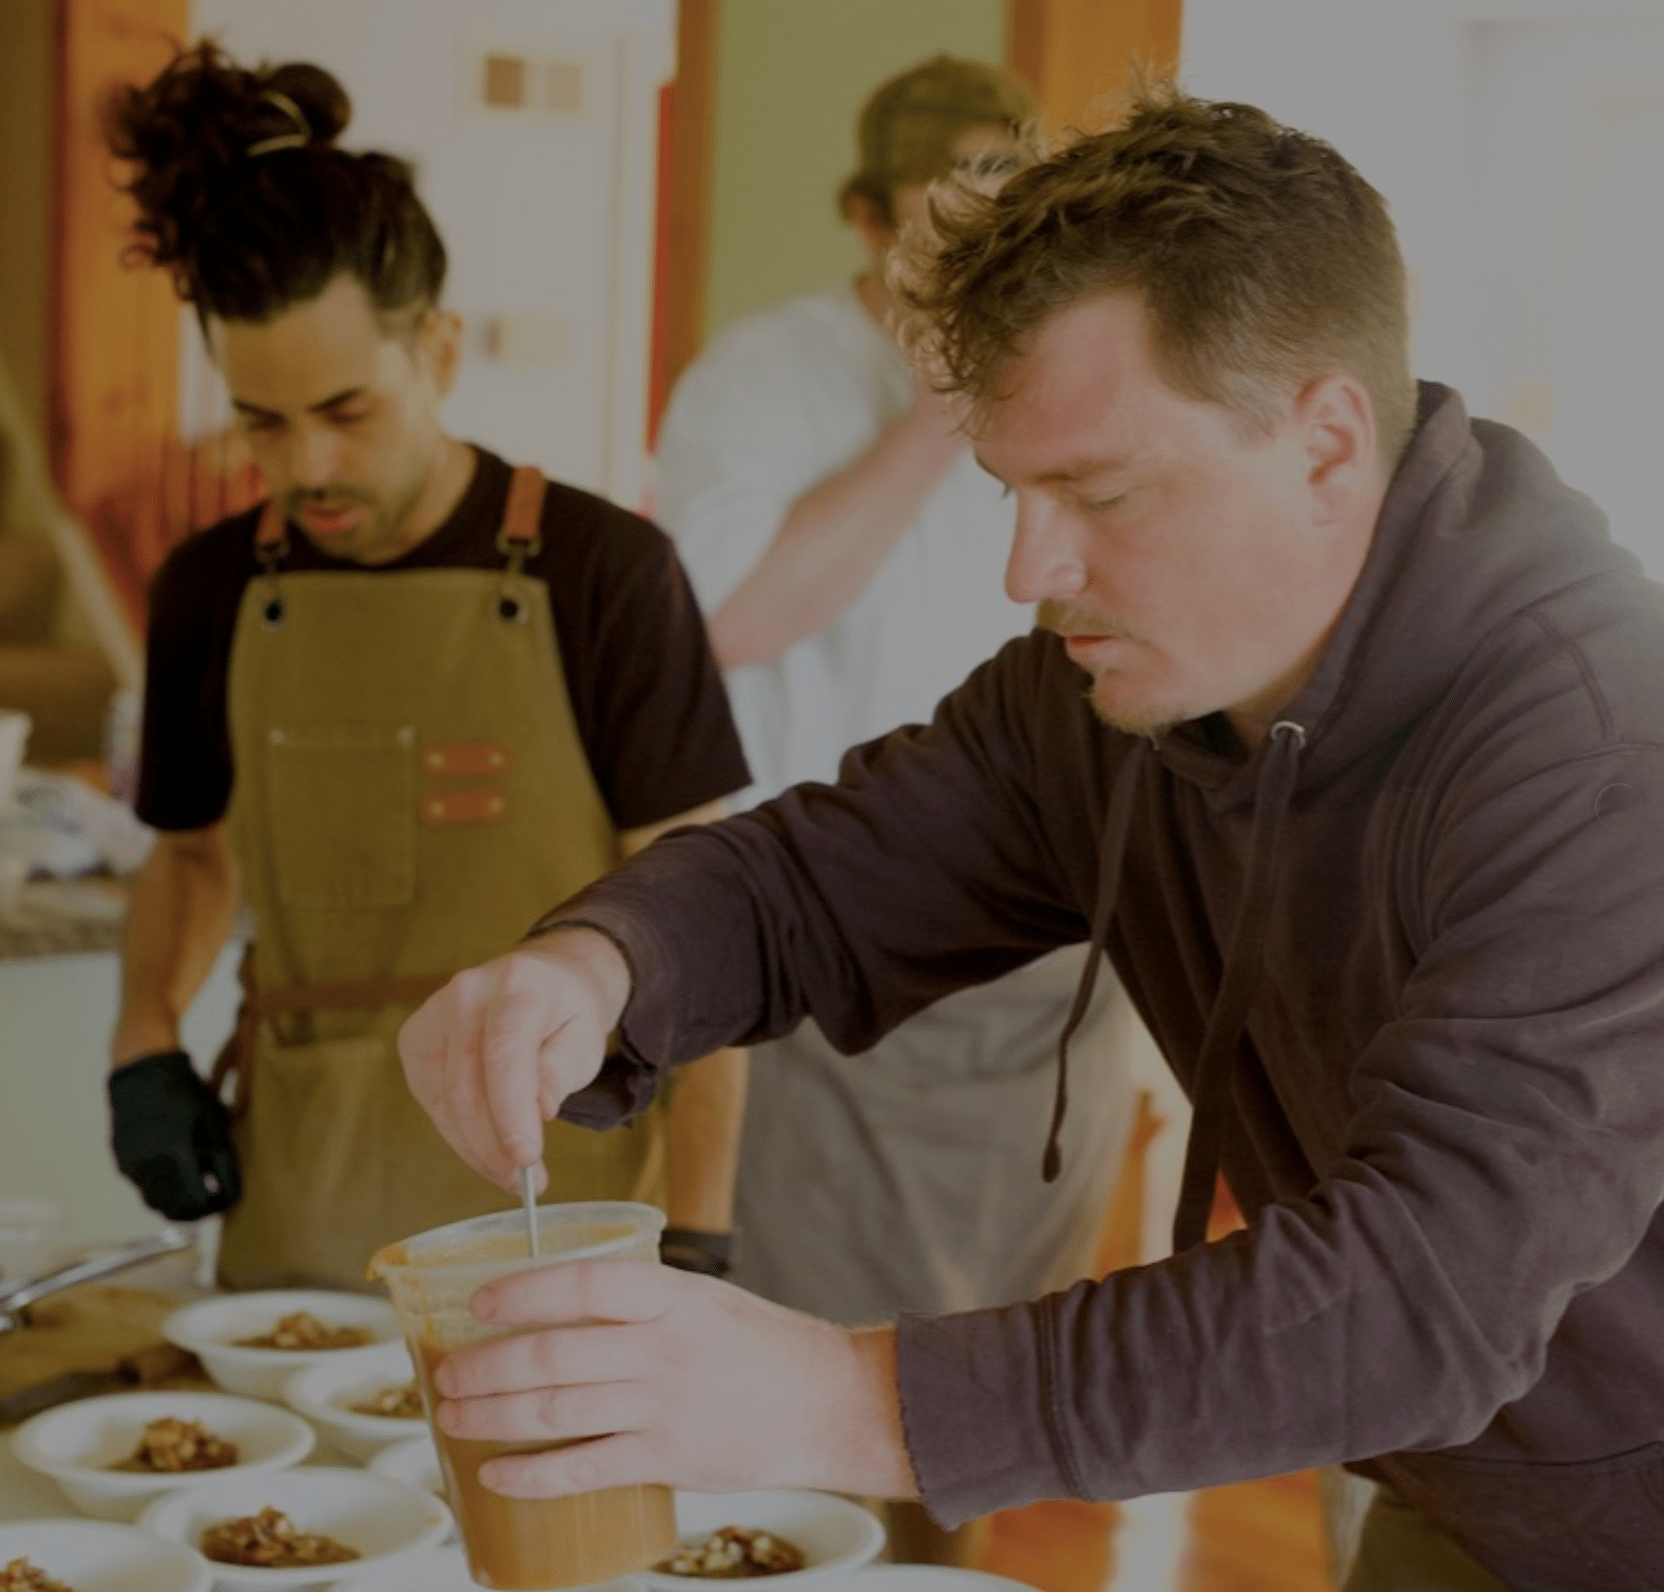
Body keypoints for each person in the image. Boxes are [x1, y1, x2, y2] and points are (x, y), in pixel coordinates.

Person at [398, 80, 1664, 1592]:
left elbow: (1423, 1296)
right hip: (1464, 1485)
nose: (1026, 567)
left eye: (1096, 491)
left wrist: (834, 1397)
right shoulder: (1111, 699)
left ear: (1325, 442)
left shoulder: (1605, 748)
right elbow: (820, 875)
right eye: (1010, 489)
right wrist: (595, 967)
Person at [101, 43, 750, 1292]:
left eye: (347, 411)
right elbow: (191, 852)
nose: (307, 468)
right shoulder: (210, 588)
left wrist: (701, 1235)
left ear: (440, 351)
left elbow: (707, 917)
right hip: (303, 1191)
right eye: (261, 421)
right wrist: (142, 1040)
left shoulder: (605, 571)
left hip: (560, 1194)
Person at [655, 53, 1136, 1370]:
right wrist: (936, 410)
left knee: (1015, 1377)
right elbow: (723, 624)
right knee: (818, 1371)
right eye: (948, 218)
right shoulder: (760, 376)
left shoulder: (1078, 371)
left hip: (1039, 971)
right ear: (868, 217)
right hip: (838, 949)